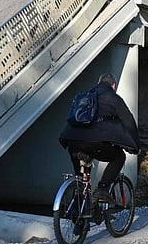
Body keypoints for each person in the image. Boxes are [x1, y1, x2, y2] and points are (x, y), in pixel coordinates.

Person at [59, 72, 141, 203]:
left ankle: (80, 209)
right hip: (94, 143)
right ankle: (102, 189)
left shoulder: (82, 96)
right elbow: (128, 122)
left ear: (98, 83)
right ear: (113, 86)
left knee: (80, 180)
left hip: (72, 141)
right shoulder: (114, 98)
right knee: (119, 157)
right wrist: (136, 146)